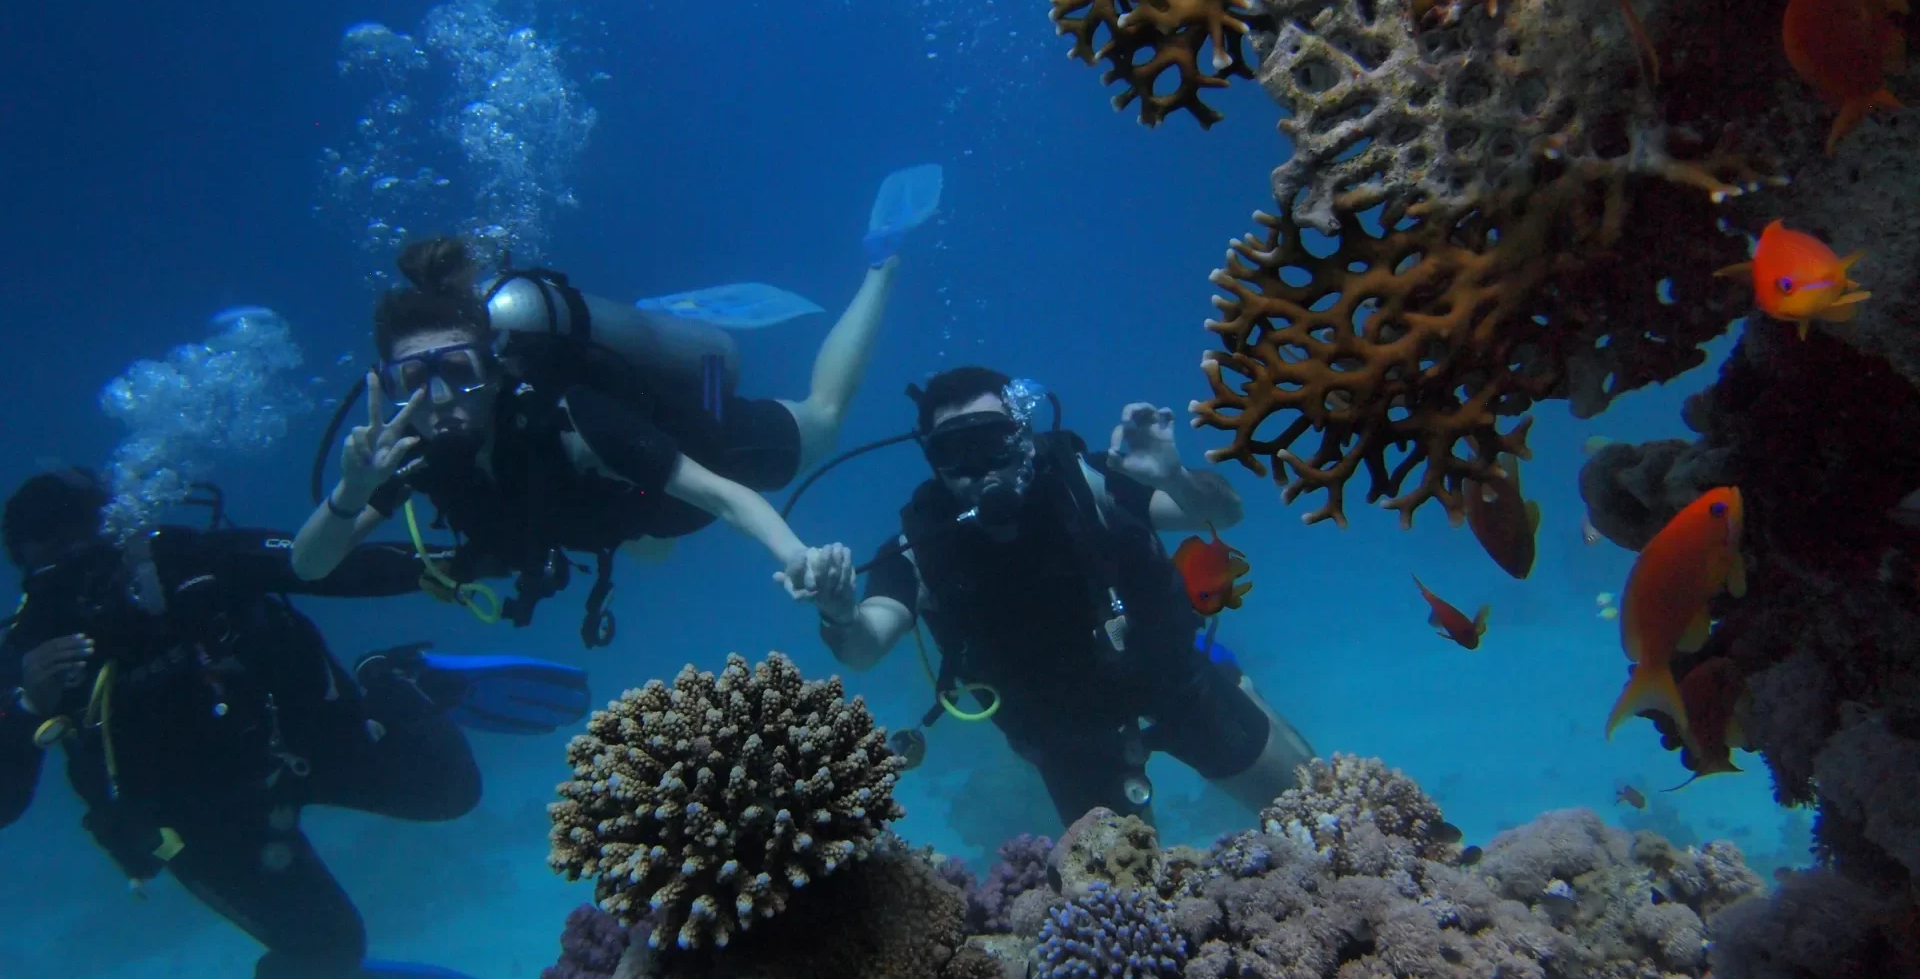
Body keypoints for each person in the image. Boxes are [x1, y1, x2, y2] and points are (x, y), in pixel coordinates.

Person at [0, 469, 582, 979]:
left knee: (451, 791)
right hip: (200, 824)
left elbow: (324, 565)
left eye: (85, 539)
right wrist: (27, 702)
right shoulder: (22, 652)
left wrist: (471, 561)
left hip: (306, 744)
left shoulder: (192, 564)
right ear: (26, 569)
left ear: (116, 529)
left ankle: (393, 677)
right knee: (328, 948)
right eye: (49, 557)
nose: (76, 567)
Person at [290, 237, 894, 644]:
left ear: (494, 368)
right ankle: (681, 342)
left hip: (700, 448)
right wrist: (352, 491)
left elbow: (722, 496)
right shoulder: (403, 454)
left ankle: (880, 266)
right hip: (631, 514)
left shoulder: (574, 416)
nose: (441, 398)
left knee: (826, 416)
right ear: (388, 385)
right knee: (649, 546)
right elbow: (309, 565)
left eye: (460, 371)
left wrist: (796, 556)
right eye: (415, 379)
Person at [797, 367, 1316, 828]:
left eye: (993, 440)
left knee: (1319, 817)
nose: (979, 467)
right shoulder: (919, 549)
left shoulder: (1086, 483)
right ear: (932, 461)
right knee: (1126, 911)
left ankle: (1232, 678)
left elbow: (1222, 514)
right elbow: (865, 647)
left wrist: (1174, 478)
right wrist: (839, 613)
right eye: (954, 451)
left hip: (1178, 685)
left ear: (1023, 435)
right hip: (1069, 742)